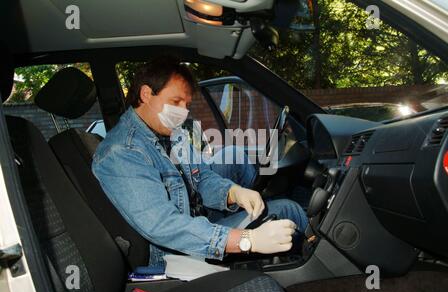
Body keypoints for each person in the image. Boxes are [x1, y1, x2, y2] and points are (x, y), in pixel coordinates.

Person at [92, 57, 308, 269]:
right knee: (289, 210)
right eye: (175, 102)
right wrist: (247, 239)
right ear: (146, 94)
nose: (183, 112)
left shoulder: (169, 133)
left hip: (193, 215)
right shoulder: (122, 152)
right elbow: (164, 226)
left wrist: (233, 192)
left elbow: (201, 176)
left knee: (234, 157)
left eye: (186, 105)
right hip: (176, 254)